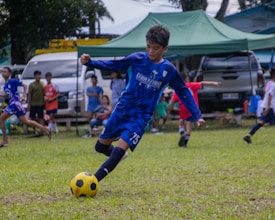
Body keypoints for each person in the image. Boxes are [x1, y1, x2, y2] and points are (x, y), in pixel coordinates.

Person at [80, 24, 205, 184]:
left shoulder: (168, 70)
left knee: (118, 151)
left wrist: (197, 115)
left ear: (165, 48)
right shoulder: (137, 59)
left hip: (140, 117)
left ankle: (93, 182)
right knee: (100, 147)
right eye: (149, 47)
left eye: (156, 48)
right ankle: (117, 156)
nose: (151, 51)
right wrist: (90, 62)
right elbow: (114, 65)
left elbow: (183, 91)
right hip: (122, 109)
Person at [0, 67, 51, 147]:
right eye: (2, 72)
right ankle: (45, 129)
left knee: (1, 119)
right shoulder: (6, 85)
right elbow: (9, 94)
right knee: (26, 121)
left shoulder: (12, 81)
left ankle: (5, 140)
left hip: (15, 103)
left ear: (9, 73)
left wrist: (24, 95)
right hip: (14, 104)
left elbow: (24, 85)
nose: (3, 73)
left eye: (5, 71)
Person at [169, 73, 220, 147]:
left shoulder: (178, 89)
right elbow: (202, 83)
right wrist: (213, 83)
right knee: (189, 124)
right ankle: (185, 141)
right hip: (192, 108)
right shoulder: (191, 85)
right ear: (186, 79)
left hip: (183, 108)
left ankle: (182, 133)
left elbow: (172, 102)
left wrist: (173, 109)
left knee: (181, 122)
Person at [243, 68, 275, 144]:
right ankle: (248, 135)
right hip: (270, 106)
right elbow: (270, 95)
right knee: (262, 122)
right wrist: (267, 108)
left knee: (262, 122)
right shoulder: (273, 85)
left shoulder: (270, 83)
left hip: (268, 105)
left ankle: (248, 135)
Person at [27, 70, 45, 136]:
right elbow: (29, 94)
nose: (38, 77)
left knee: (41, 117)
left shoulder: (42, 84)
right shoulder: (32, 85)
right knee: (32, 117)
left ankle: (42, 130)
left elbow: (44, 93)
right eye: (37, 75)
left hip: (41, 103)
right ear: (34, 76)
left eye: (39, 75)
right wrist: (28, 104)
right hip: (33, 104)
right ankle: (34, 131)